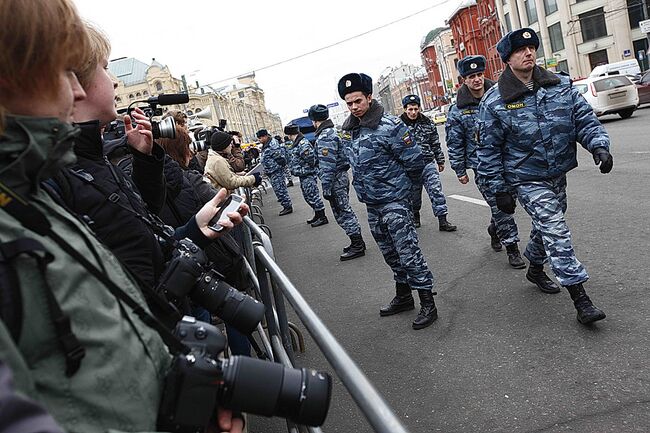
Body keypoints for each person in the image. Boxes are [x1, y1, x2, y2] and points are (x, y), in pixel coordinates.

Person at [0, 1, 244, 432]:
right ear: (12, 76)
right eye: (64, 72)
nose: (77, 91)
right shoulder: (47, 187)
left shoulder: (32, 193)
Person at [477, 28, 612, 325]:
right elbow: (487, 150)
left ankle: (535, 267)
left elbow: (584, 120)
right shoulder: (494, 101)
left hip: (557, 172)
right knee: (555, 227)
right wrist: (499, 189)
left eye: (531, 48)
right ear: (507, 59)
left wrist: (599, 146)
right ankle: (580, 298)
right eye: (519, 50)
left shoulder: (559, 85)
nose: (528, 53)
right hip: (525, 178)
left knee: (548, 224)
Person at [338, 73, 438, 330]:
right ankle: (404, 296)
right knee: (390, 253)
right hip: (372, 203)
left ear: (369, 97)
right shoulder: (349, 130)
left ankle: (427, 301)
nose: (353, 107)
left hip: (394, 200)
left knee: (408, 251)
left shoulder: (390, 125)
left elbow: (414, 161)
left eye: (357, 101)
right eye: (348, 103)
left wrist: (403, 191)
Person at [446, 55, 526, 269]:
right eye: (471, 76)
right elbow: (454, 141)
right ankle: (513, 249)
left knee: (509, 203)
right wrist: (459, 168)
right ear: (464, 80)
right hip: (483, 167)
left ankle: (494, 229)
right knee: (501, 208)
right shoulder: (458, 110)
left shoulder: (501, 97)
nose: (477, 79)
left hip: (510, 161)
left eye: (480, 74)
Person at [309, 104, 366, 260]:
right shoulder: (333, 132)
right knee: (343, 210)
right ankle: (356, 241)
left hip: (335, 179)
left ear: (314, 120)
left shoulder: (325, 136)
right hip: (339, 176)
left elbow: (327, 165)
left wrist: (326, 188)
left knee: (343, 211)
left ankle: (357, 244)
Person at [399, 95, 456, 231]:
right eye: (410, 109)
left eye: (416, 109)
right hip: (409, 167)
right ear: (405, 109)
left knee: (436, 191)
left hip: (427, 163)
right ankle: (415, 216)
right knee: (414, 195)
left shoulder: (427, 122)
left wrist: (440, 160)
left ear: (419, 108)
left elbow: (435, 142)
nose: (413, 112)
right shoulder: (398, 125)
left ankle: (443, 220)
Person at [284, 124, 328, 227]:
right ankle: (317, 215)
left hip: (308, 175)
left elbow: (312, 160)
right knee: (308, 196)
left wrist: (307, 170)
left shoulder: (303, 144)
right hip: (303, 175)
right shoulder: (297, 143)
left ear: (290, 134)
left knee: (313, 195)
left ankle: (322, 217)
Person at [259, 129, 293, 215]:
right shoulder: (266, 144)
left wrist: (277, 167)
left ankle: (287, 206)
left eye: (260, 138)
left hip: (276, 171)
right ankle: (286, 205)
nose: (259, 140)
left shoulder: (272, 145)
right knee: (278, 189)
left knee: (280, 189)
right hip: (272, 171)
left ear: (265, 136)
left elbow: (280, 158)